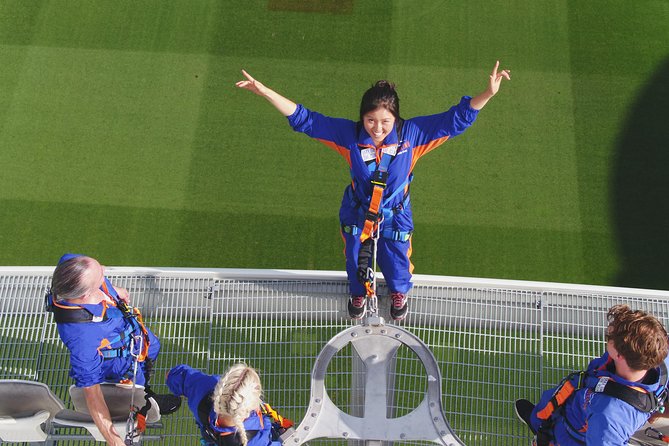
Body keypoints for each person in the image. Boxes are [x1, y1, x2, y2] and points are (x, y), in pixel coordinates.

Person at [235, 61, 510, 321]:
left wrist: (488, 93)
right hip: (359, 211)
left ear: (396, 119)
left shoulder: (412, 136)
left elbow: (455, 120)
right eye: (370, 121)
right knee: (355, 257)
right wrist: (265, 91)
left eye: (385, 122)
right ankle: (358, 293)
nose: (377, 129)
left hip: (395, 213)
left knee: (397, 258)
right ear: (362, 118)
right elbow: (306, 120)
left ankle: (398, 291)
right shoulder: (349, 136)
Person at [45, 253, 181, 446]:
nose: (104, 270)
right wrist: (114, 441)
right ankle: (146, 399)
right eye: (100, 275)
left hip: (134, 337)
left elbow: (77, 263)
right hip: (121, 364)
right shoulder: (82, 339)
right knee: (135, 384)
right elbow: (92, 395)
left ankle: (146, 390)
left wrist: (113, 290)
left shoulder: (70, 267)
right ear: (85, 295)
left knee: (152, 348)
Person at [515, 304, 669, 445]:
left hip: (571, 433)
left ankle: (542, 434)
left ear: (619, 355)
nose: (608, 336)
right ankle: (538, 419)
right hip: (581, 401)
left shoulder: (610, 419)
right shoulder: (658, 356)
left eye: (610, 338)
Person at [166, 363, 293, 446]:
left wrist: (171, 377)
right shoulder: (258, 441)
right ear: (250, 408)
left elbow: (176, 376)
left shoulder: (204, 388)